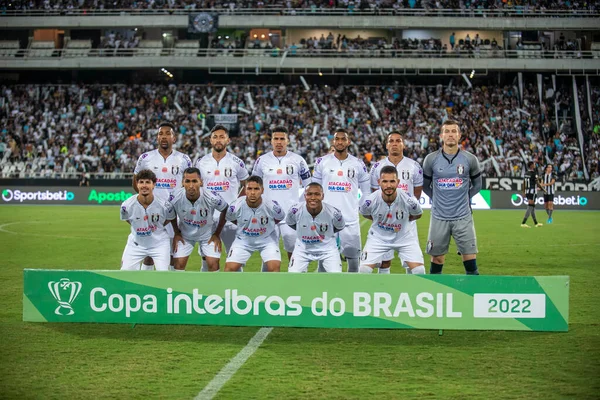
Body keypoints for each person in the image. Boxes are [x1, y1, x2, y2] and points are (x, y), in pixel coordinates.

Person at [422, 120, 482, 275]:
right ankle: (435, 294)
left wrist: (465, 198)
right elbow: (425, 185)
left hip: (463, 216)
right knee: (437, 259)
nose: (450, 135)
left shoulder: (470, 159)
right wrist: (436, 199)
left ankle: (473, 294)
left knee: (469, 259)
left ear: (459, 135)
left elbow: (477, 185)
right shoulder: (431, 159)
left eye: (453, 131)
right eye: (447, 131)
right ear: (441, 136)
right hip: (439, 217)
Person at [134, 121, 192, 270]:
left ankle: (170, 287)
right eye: (161, 134)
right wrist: (145, 202)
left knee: (174, 251)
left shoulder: (184, 159)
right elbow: (135, 181)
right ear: (157, 138)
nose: (164, 137)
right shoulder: (145, 158)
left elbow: (190, 183)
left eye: (168, 134)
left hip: (176, 211)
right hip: (153, 210)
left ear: (174, 138)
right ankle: (145, 285)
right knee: (149, 253)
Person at [312, 128, 369, 273]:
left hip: (350, 219)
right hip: (326, 219)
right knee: (323, 262)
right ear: (333, 141)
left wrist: (359, 207)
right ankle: (323, 293)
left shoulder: (358, 163)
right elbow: (314, 189)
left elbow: (367, 191)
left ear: (348, 142)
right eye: (337, 139)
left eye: (343, 139)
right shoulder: (322, 162)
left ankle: (350, 292)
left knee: (354, 261)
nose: (340, 142)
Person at [251, 126, 311, 265]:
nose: (279, 142)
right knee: (268, 257)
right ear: (271, 141)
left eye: (282, 139)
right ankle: (267, 285)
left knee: (295, 254)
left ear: (288, 141)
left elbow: (309, 187)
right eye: (276, 139)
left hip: (291, 215)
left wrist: (299, 205)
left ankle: (297, 282)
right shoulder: (262, 160)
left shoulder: (298, 160)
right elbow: (254, 186)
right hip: (268, 215)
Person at [195, 124, 249, 271]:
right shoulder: (201, 162)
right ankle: (206, 292)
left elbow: (247, 185)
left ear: (228, 140)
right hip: (208, 218)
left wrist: (237, 202)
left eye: (222, 137)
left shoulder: (237, 162)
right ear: (210, 140)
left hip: (231, 219)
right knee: (207, 260)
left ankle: (238, 292)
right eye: (215, 137)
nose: (218, 140)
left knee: (235, 261)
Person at [368, 131, 423, 274]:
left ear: (403, 145)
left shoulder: (414, 166)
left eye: (398, 141)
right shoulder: (377, 166)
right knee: (384, 261)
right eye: (391, 141)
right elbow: (374, 191)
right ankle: (384, 289)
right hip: (384, 219)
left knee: (411, 262)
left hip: (406, 221)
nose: (394, 144)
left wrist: (411, 210)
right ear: (387, 145)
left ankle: (411, 291)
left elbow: (418, 190)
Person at [358, 166, 425, 274]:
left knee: (419, 270)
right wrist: (379, 221)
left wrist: (404, 222)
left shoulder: (409, 200)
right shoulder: (370, 201)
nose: (388, 185)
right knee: (363, 270)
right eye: (385, 181)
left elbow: (418, 214)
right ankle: (379, 289)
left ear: (398, 182)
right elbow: (365, 214)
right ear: (379, 182)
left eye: (392, 181)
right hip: (378, 238)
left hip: (404, 237)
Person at [169, 167, 228, 272]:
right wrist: (176, 232)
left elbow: (225, 210)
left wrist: (217, 234)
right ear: (183, 182)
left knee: (213, 265)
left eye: (194, 181)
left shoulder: (211, 196)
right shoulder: (175, 197)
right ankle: (176, 288)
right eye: (187, 181)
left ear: (201, 182)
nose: (191, 185)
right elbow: (170, 213)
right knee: (178, 265)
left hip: (208, 235)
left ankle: (207, 287)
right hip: (185, 235)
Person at [224, 176, 285, 272]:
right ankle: (237, 287)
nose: (252, 193)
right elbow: (230, 218)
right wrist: (244, 226)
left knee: (274, 269)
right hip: (243, 240)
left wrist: (268, 225)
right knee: (229, 269)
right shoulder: (235, 206)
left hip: (267, 240)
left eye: (256, 189)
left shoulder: (272, 205)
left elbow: (280, 217)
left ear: (262, 190)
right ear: (245, 190)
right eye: (249, 189)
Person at [120, 169, 175, 271]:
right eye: (141, 182)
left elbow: (167, 221)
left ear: (154, 184)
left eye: (148, 182)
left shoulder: (165, 206)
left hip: (159, 244)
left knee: (164, 274)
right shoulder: (126, 205)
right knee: (125, 272)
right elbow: (129, 220)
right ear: (137, 184)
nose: (144, 185)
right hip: (136, 243)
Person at [286, 182, 346, 273]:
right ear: (305, 196)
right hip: (302, 250)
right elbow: (291, 223)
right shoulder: (294, 211)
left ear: (323, 196)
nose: (313, 198)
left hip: (328, 250)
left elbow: (339, 226)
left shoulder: (334, 213)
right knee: (293, 277)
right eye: (309, 194)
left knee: (336, 277)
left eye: (317, 194)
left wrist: (326, 235)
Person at [521, 162, 544, 228]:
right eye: (534, 164)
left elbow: (524, 183)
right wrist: (543, 189)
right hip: (533, 191)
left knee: (532, 207)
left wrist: (524, 192)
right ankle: (523, 223)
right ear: (531, 166)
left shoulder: (526, 173)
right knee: (531, 206)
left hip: (528, 191)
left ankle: (536, 223)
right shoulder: (534, 173)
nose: (535, 165)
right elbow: (538, 183)